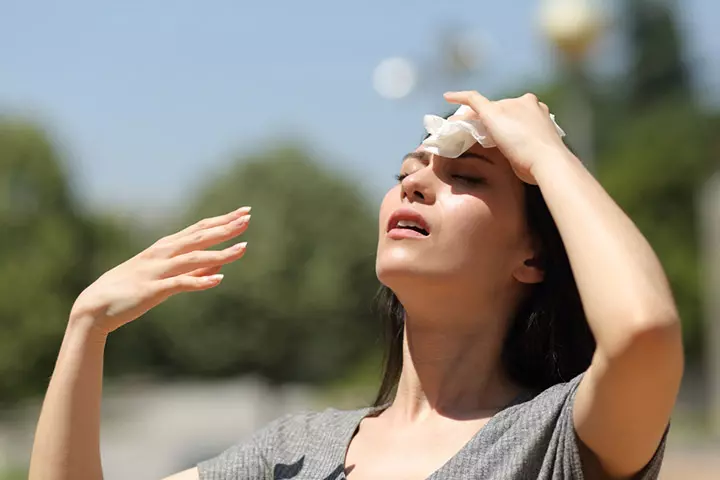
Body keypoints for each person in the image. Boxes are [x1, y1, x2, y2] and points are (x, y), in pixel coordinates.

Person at [29, 91, 683, 480]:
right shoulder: (293, 453)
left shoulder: (558, 439)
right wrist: (86, 327)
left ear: (533, 259)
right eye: (407, 170)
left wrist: (545, 151)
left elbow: (643, 331)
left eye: (471, 178)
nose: (416, 182)